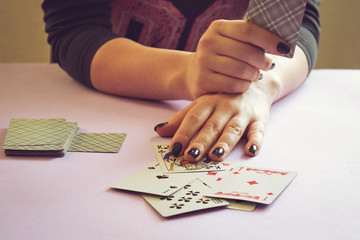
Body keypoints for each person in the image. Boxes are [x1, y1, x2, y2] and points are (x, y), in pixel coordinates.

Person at [42, 0, 321, 162]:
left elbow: (302, 24)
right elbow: (75, 29)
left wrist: (258, 83)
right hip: (89, 112)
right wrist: (187, 72)